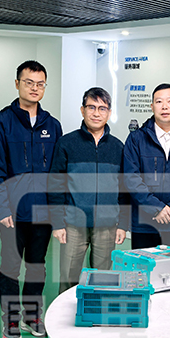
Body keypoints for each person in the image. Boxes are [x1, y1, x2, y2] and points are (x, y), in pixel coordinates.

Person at [0, 60, 62, 338]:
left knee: (37, 265)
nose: (34, 88)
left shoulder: (52, 125)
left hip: (42, 211)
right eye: (29, 82)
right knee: (10, 266)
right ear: (17, 83)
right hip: (13, 212)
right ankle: (10, 320)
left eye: (40, 84)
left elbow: (58, 172)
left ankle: (32, 316)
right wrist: (1, 208)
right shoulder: (1, 123)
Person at [48, 87, 128, 292]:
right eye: (91, 107)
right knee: (68, 279)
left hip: (107, 225)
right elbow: (55, 185)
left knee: (102, 280)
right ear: (82, 110)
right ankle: (65, 314)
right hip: (73, 225)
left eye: (102, 108)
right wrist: (57, 223)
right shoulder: (66, 143)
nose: (96, 113)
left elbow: (125, 189)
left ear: (109, 113)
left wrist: (123, 224)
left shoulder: (118, 147)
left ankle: (96, 312)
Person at [123, 83, 170, 250]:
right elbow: (131, 180)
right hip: (144, 223)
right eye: (159, 102)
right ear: (152, 106)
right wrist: (157, 208)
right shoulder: (136, 139)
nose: (164, 106)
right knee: (142, 266)